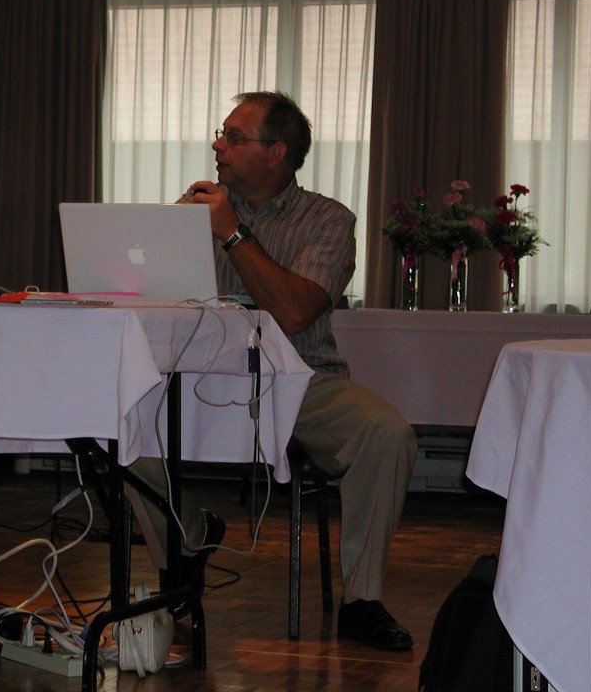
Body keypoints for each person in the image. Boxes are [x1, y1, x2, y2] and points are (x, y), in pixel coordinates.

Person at [130, 90, 418, 652]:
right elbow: (150, 300)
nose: (218, 146)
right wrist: (169, 233)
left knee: (388, 433)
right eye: (221, 134)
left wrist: (233, 233)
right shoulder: (194, 210)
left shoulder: (328, 220)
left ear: (276, 152)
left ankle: (363, 601)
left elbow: (295, 312)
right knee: (117, 424)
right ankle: (186, 540)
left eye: (234, 137)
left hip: (299, 377)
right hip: (198, 374)